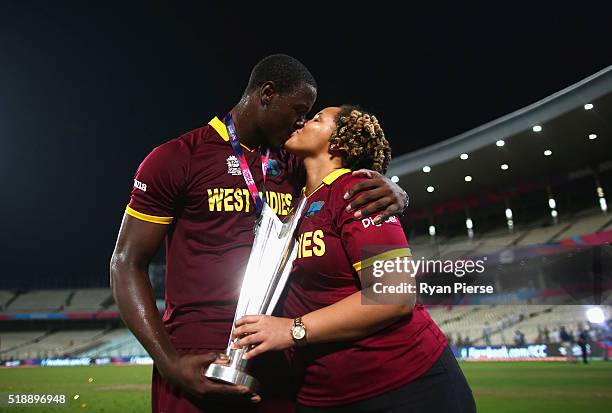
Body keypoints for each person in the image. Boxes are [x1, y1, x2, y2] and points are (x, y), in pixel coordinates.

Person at [110, 55, 408, 413]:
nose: (301, 121)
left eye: (309, 115)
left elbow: (344, 177)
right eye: (298, 109)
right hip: (195, 354)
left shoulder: (296, 165)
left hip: (278, 350)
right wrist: (169, 363)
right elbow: (126, 263)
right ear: (267, 94)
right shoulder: (176, 158)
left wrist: (396, 191)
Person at [231, 106, 476, 413]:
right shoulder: (296, 202)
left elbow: (394, 295)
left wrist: (291, 329)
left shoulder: (357, 191)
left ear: (338, 143)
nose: (305, 122)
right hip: (322, 394)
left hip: (405, 385)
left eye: (317, 119)